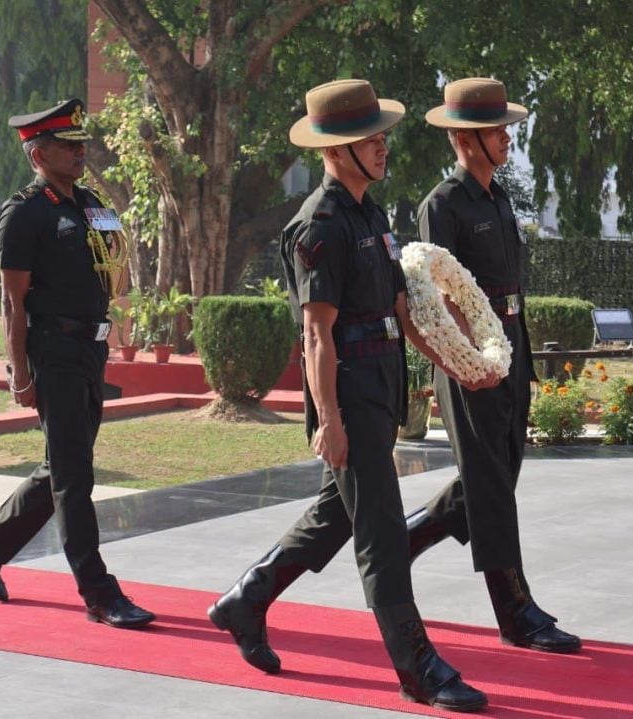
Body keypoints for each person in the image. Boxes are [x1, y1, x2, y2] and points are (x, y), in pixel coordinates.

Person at [207, 79, 493, 713]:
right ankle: (417, 666)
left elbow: (401, 309)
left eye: (383, 135)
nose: (383, 147)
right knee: (383, 530)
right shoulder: (320, 224)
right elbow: (316, 334)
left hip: (379, 385)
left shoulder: (370, 213)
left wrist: (457, 364)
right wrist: (329, 419)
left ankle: (246, 599)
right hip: (350, 392)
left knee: (337, 514)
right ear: (337, 150)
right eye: (370, 139)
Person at [0, 99, 155, 630]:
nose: (80, 151)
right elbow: (11, 301)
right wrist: (18, 370)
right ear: (38, 153)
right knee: (74, 477)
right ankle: (99, 592)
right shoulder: (24, 211)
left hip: (90, 351)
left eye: (80, 143)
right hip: (53, 351)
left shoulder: (91, 203)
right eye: (68, 145)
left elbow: (116, 268)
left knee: (61, 468)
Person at [405, 77, 581, 653]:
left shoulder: (500, 197)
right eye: (496, 129)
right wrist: (464, 361)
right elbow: (437, 295)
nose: (507, 137)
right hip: (470, 360)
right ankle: (516, 611)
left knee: (497, 476)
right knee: (491, 486)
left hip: (513, 347)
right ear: (466, 139)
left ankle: (395, 546)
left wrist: (514, 353)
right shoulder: (443, 205)